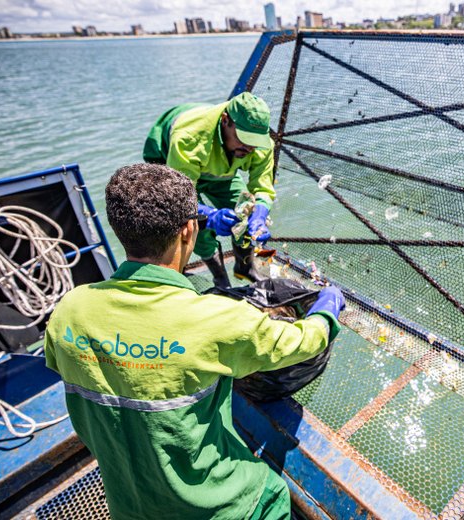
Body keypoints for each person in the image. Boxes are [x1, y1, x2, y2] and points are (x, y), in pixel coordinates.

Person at [43, 163, 346, 519]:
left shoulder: (69, 311)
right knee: (273, 491)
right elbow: (302, 343)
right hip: (215, 508)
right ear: (189, 229)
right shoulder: (215, 319)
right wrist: (327, 311)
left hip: (127, 505)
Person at [142, 92, 276, 289]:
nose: (249, 147)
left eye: (255, 141)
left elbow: (263, 188)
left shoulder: (259, 145)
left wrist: (260, 213)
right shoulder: (188, 139)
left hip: (218, 164)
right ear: (225, 121)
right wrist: (209, 216)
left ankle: (244, 268)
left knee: (245, 212)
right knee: (195, 227)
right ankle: (219, 275)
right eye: (244, 138)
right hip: (171, 159)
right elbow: (178, 199)